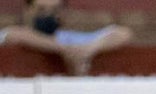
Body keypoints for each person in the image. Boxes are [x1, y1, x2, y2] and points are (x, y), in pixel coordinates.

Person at [0, 0, 132, 76]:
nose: (48, 15)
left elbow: (122, 33)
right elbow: (14, 35)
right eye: (41, 9)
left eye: (54, 10)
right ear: (28, 9)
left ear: (63, 12)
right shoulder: (15, 33)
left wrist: (89, 49)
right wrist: (65, 49)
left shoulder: (70, 39)